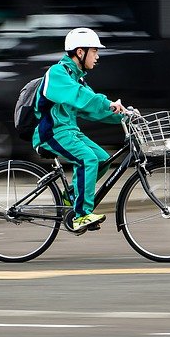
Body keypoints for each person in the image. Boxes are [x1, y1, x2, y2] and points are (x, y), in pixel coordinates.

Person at [32, 27, 128, 233]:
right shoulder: (57, 73)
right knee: (88, 159)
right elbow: (81, 97)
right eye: (95, 51)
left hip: (69, 131)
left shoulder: (77, 78)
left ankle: (72, 197)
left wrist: (124, 115)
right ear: (80, 52)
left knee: (103, 159)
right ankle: (81, 215)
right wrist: (108, 102)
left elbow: (92, 110)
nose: (98, 56)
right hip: (50, 133)